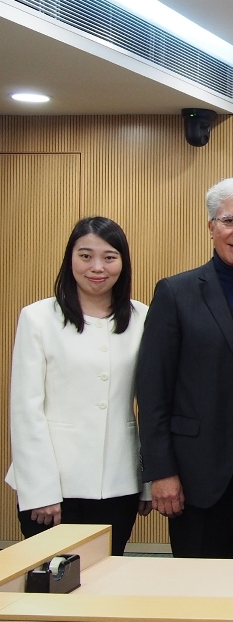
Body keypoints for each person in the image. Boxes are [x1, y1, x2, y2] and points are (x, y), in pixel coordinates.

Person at [136, 175, 233, 558]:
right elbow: (152, 392)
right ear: (211, 226)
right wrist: (161, 472)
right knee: (198, 583)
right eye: (229, 220)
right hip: (197, 474)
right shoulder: (175, 293)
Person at [6, 217, 151, 556]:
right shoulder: (38, 318)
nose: (97, 267)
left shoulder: (142, 317)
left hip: (119, 480)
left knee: (108, 575)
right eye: (86, 256)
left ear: (123, 263)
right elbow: (26, 410)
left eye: (109, 257)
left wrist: (147, 481)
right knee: (53, 580)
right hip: (55, 483)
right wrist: (40, 490)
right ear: (70, 259)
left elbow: (151, 404)